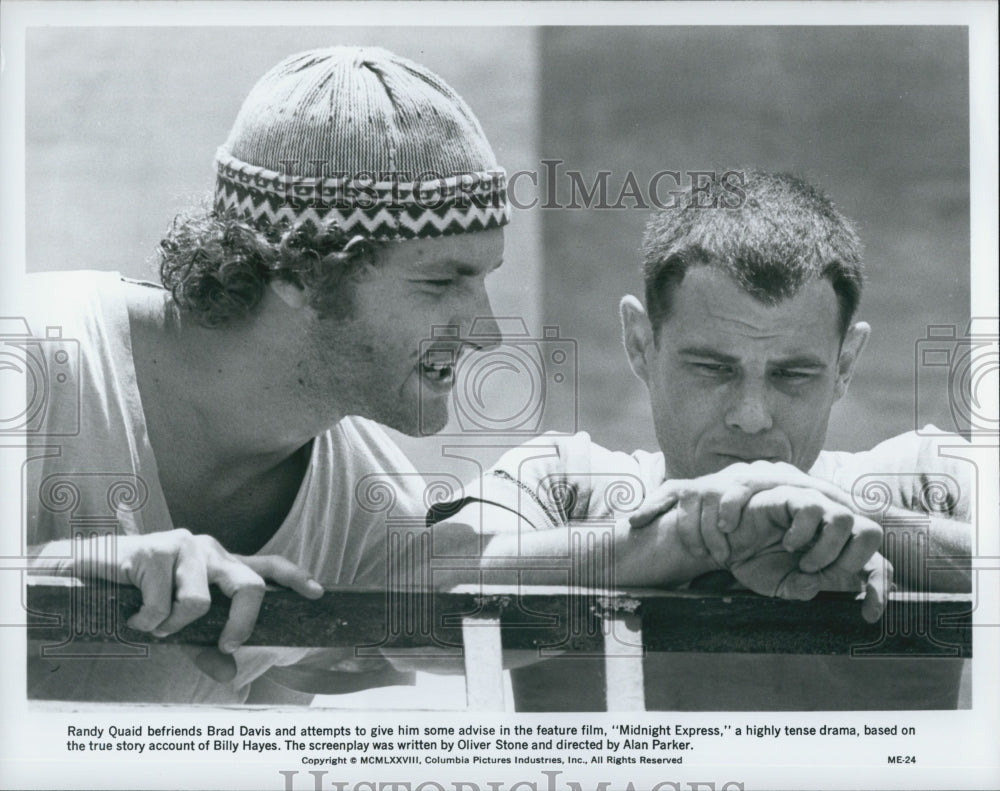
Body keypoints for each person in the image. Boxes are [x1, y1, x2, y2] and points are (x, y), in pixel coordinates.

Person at [24, 46, 511, 702]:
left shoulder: (365, 507)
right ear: (295, 268)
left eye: (482, 280)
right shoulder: (32, 356)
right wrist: (51, 576)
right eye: (440, 282)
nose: (487, 333)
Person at [427, 170, 972, 709]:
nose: (752, 416)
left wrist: (870, 525)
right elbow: (410, 591)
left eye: (792, 375)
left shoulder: (920, 480)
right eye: (713, 368)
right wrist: (692, 535)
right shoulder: (563, 481)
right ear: (640, 343)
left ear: (845, 363)